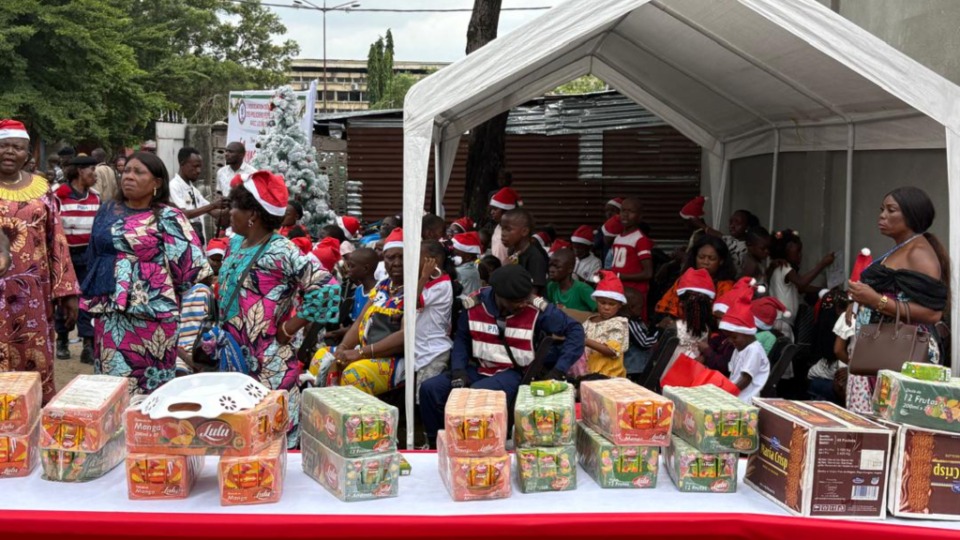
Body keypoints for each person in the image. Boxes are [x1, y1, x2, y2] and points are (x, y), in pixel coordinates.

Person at [217, 170, 336, 445]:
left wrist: (288, 328)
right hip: (233, 357)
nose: (229, 212)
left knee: (271, 439)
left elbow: (327, 287)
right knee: (238, 436)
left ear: (253, 215)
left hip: (268, 363)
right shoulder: (234, 244)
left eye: (234, 206)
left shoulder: (282, 250)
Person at [81, 152, 208, 394]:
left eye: (138, 172)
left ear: (157, 182)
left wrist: (155, 289)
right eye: (126, 171)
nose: (129, 176)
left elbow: (189, 269)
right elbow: (94, 257)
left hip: (154, 317)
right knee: (112, 385)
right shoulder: (108, 210)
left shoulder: (169, 216)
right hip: (111, 314)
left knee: (153, 388)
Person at [419, 265, 585, 449]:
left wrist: (558, 369)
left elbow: (575, 331)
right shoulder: (475, 305)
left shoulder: (536, 308)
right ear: (498, 295)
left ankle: (473, 447)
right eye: (516, 301)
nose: (523, 304)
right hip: (480, 369)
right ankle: (437, 444)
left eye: (525, 298)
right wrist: (458, 370)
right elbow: (462, 339)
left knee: (477, 395)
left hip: (515, 373)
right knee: (430, 389)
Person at [845, 186, 949, 414]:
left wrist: (875, 300)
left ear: (912, 215)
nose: (882, 215)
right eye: (882, 209)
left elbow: (933, 314)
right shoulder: (902, 248)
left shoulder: (919, 253)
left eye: (891, 210)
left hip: (902, 351)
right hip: (880, 349)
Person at [0, 120, 79, 403]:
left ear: (26, 154)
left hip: (32, 295)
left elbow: (56, 239)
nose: (9, 152)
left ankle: (31, 421)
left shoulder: (41, 189)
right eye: (4, 145)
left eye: (17, 147)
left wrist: (67, 291)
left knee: (32, 357)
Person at [334, 228, 406, 396]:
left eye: (402, 257)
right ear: (384, 260)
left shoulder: (414, 289)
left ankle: (361, 422)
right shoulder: (382, 286)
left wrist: (360, 353)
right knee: (323, 358)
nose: (396, 263)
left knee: (355, 374)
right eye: (391, 257)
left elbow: (404, 337)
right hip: (366, 350)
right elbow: (360, 321)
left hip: (393, 359)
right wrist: (343, 347)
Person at [54, 155, 101, 364]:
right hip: (65, 255)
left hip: (88, 256)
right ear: (80, 171)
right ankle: (62, 339)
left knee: (88, 300)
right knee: (64, 298)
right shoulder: (59, 196)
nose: (95, 174)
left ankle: (88, 345)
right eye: (92, 170)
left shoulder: (96, 198)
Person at [656, 235, 737, 320]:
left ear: (721, 261)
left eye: (712, 258)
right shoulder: (683, 281)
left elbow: (722, 317)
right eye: (701, 257)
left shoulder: (727, 286)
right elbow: (665, 307)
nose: (705, 262)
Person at [767, 229, 834, 330]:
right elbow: (801, 283)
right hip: (782, 322)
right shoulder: (785, 267)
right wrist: (822, 264)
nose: (800, 255)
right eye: (797, 251)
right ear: (785, 250)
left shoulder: (781, 269)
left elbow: (800, 288)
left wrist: (822, 290)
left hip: (782, 321)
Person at [414, 240, 455, 399]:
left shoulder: (441, 285)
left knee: (425, 397)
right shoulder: (431, 283)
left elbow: (414, 302)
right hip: (424, 349)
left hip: (433, 351)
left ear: (432, 262)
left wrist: (424, 276)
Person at [719, 287, 769, 403]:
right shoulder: (740, 348)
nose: (731, 341)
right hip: (735, 396)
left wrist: (728, 394)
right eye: (729, 337)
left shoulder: (754, 350)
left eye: (734, 337)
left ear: (747, 333)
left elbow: (745, 379)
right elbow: (733, 375)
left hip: (745, 400)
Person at [609, 198, 654, 319]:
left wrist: (620, 276)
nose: (625, 214)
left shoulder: (640, 240)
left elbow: (648, 273)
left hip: (634, 295)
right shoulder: (618, 238)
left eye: (631, 211)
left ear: (639, 216)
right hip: (619, 291)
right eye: (623, 210)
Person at [169, 147, 224, 245]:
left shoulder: (194, 190)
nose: (198, 171)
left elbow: (215, 213)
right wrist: (213, 205)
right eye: (195, 166)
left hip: (198, 244)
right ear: (182, 164)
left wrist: (229, 207)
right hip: (184, 244)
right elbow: (183, 214)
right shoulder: (174, 186)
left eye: (200, 167)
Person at [580, 271, 629, 378]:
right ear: (596, 301)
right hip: (589, 371)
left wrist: (585, 341)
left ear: (619, 305)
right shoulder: (589, 321)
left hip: (609, 375)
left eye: (612, 304)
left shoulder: (618, 324)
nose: (606, 307)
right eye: (602, 303)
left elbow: (612, 351)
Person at [687, 208, 759, 272]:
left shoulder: (745, 246)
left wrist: (701, 225)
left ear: (747, 227)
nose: (732, 226)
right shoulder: (732, 240)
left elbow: (720, 236)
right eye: (731, 222)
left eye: (737, 222)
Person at [500, 208, 549, 295]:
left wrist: (506, 270)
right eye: (502, 229)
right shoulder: (512, 251)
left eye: (508, 229)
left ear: (524, 231)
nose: (503, 233)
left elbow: (533, 293)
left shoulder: (535, 257)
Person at [623, 287, 659, 380]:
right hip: (634, 368)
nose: (642, 310)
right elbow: (644, 342)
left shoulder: (633, 321)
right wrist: (659, 330)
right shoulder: (630, 323)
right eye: (640, 307)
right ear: (631, 308)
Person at [489, 187, 522, 265]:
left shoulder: (515, 231)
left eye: (495, 209)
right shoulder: (497, 227)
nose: (492, 212)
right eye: (491, 209)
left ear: (505, 210)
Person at [451, 231, 482, 296]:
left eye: (455, 254)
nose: (452, 256)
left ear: (467, 257)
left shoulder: (464, 272)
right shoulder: (464, 267)